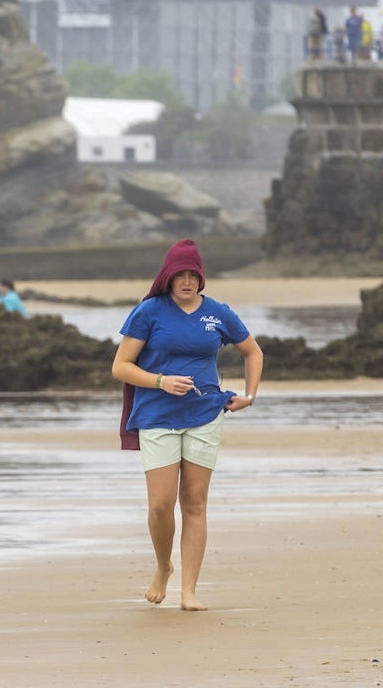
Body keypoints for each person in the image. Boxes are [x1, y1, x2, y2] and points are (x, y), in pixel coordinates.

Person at [111, 238, 263, 611]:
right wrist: (161, 381)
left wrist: (250, 395)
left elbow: (252, 351)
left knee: (194, 502)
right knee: (162, 505)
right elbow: (121, 367)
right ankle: (164, 566)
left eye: (192, 274)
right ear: (167, 276)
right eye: (179, 274)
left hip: (205, 415)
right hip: (157, 416)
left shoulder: (217, 313)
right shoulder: (149, 312)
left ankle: (189, 590)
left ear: (201, 277)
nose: (186, 281)